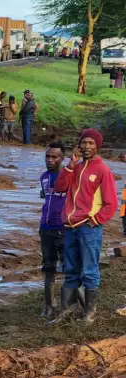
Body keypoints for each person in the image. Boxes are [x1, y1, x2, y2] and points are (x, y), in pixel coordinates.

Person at [51, 129, 118, 324]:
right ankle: (66, 311)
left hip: (89, 227)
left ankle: (89, 314)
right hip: (70, 226)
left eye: (91, 143)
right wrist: (70, 165)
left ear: (97, 146)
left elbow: (111, 203)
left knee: (89, 270)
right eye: (84, 143)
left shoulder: (103, 170)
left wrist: (94, 220)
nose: (87, 146)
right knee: (70, 269)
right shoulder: (76, 167)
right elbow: (60, 187)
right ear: (79, 145)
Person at [39, 142, 67, 318]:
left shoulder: (69, 177)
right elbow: (45, 198)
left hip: (64, 229)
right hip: (46, 228)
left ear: (62, 159)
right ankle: (49, 306)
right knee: (48, 267)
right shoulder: (43, 177)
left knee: (68, 269)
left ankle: (68, 307)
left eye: (54, 156)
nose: (50, 160)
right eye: (48, 156)